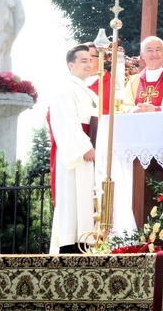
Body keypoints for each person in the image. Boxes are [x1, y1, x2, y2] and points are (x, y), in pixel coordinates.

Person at [48, 44, 99, 254]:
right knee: (72, 198)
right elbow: (65, 122)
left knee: (87, 199)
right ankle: (70, 245)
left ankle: (87, 241)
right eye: (83, 61)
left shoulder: (91, 93)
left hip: (91, 150)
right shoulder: (64, 89)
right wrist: (84, 147)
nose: (88, 64)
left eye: (90, 60)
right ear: (71, 65)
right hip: (77, 154)